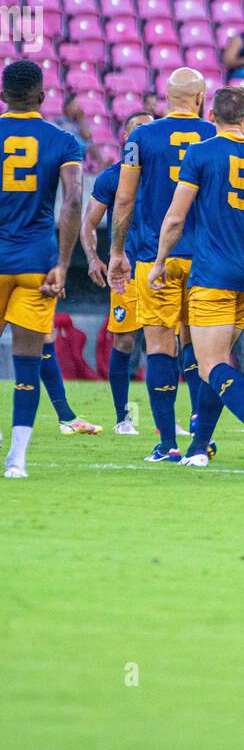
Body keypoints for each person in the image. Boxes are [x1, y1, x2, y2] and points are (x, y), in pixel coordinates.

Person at [149, 85, 244, 470]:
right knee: (218, 361)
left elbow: (176, 215)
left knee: (210, 364)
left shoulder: (199, 153)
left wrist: (160, 259)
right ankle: (198, 447)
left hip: (212, 272)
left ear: (210, 118)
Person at [107, 67, 217, 462]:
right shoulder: (215, 135)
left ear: (167, 98)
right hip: (206, 261)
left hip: (156, 258)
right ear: (202, 97)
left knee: (158, 347)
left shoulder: (140, 137)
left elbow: (123, 201)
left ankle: (167, 442)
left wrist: (116, 252)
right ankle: (201, 439)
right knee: (204, 351)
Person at [0, 60, 83, 478]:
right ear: (41, 96)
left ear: (2, 96)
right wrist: (64, 264)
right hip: (37, 262)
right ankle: (16, 461)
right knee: (28, 362)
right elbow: (71, 200)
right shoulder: (62, 141)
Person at [81, 110, 155, 435]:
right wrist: (92, 256)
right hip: (126, 271)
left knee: (167, 344)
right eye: (138, 130)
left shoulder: (168, 178)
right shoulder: (111, 177)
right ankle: (123, 417)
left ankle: (169, 419)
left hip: (160, 270)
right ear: (126, 138)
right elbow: (88, 222)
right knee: (125, 341)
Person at [55, 93, 107, 173]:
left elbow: (87, 136)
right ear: (66, 107)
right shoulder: (59, 120)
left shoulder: (80, 122)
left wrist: (81, 119)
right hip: (66, 146)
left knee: (92, 146)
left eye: (77, 105)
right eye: (74, 105)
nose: (77, 108)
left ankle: (102, 166)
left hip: (81, 147)